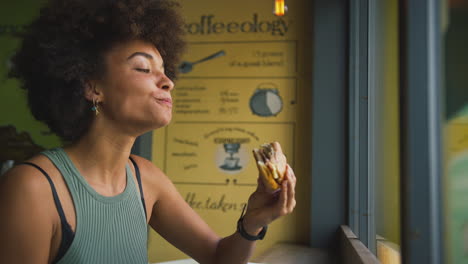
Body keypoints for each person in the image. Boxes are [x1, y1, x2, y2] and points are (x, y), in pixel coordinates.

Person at [0, 0, 297, 263]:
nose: (167, 81)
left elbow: (219, 257)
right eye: (143, 68)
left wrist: (254, 221)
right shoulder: (32, 188)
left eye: (165, 70)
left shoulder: (147, 180)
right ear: (92, 87)